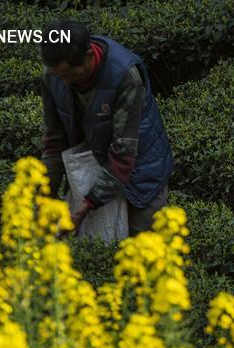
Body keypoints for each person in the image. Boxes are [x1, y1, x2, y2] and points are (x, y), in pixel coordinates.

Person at [39, 20, 174, 236]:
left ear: (89, 57)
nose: (64, 82)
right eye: (58, 76)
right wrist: (42, 197)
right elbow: (55, 141)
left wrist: (85, 207)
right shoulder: (52, 75)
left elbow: (123, 152)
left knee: (142, 244)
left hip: (141, 172)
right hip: (95, 165)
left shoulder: (124, 76)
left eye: (69, 74)